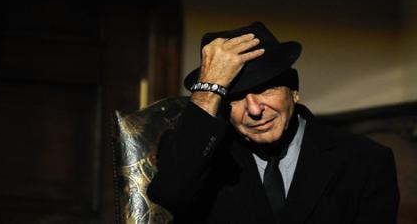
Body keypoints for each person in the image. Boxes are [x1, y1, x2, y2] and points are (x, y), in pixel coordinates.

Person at [147, 22, 399, 223]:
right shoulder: (198, 157)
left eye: (265, 89)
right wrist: (209, 90)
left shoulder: (366, 160)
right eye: (234, 97)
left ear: (294, 90)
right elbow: (170, 194)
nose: (255, 110)